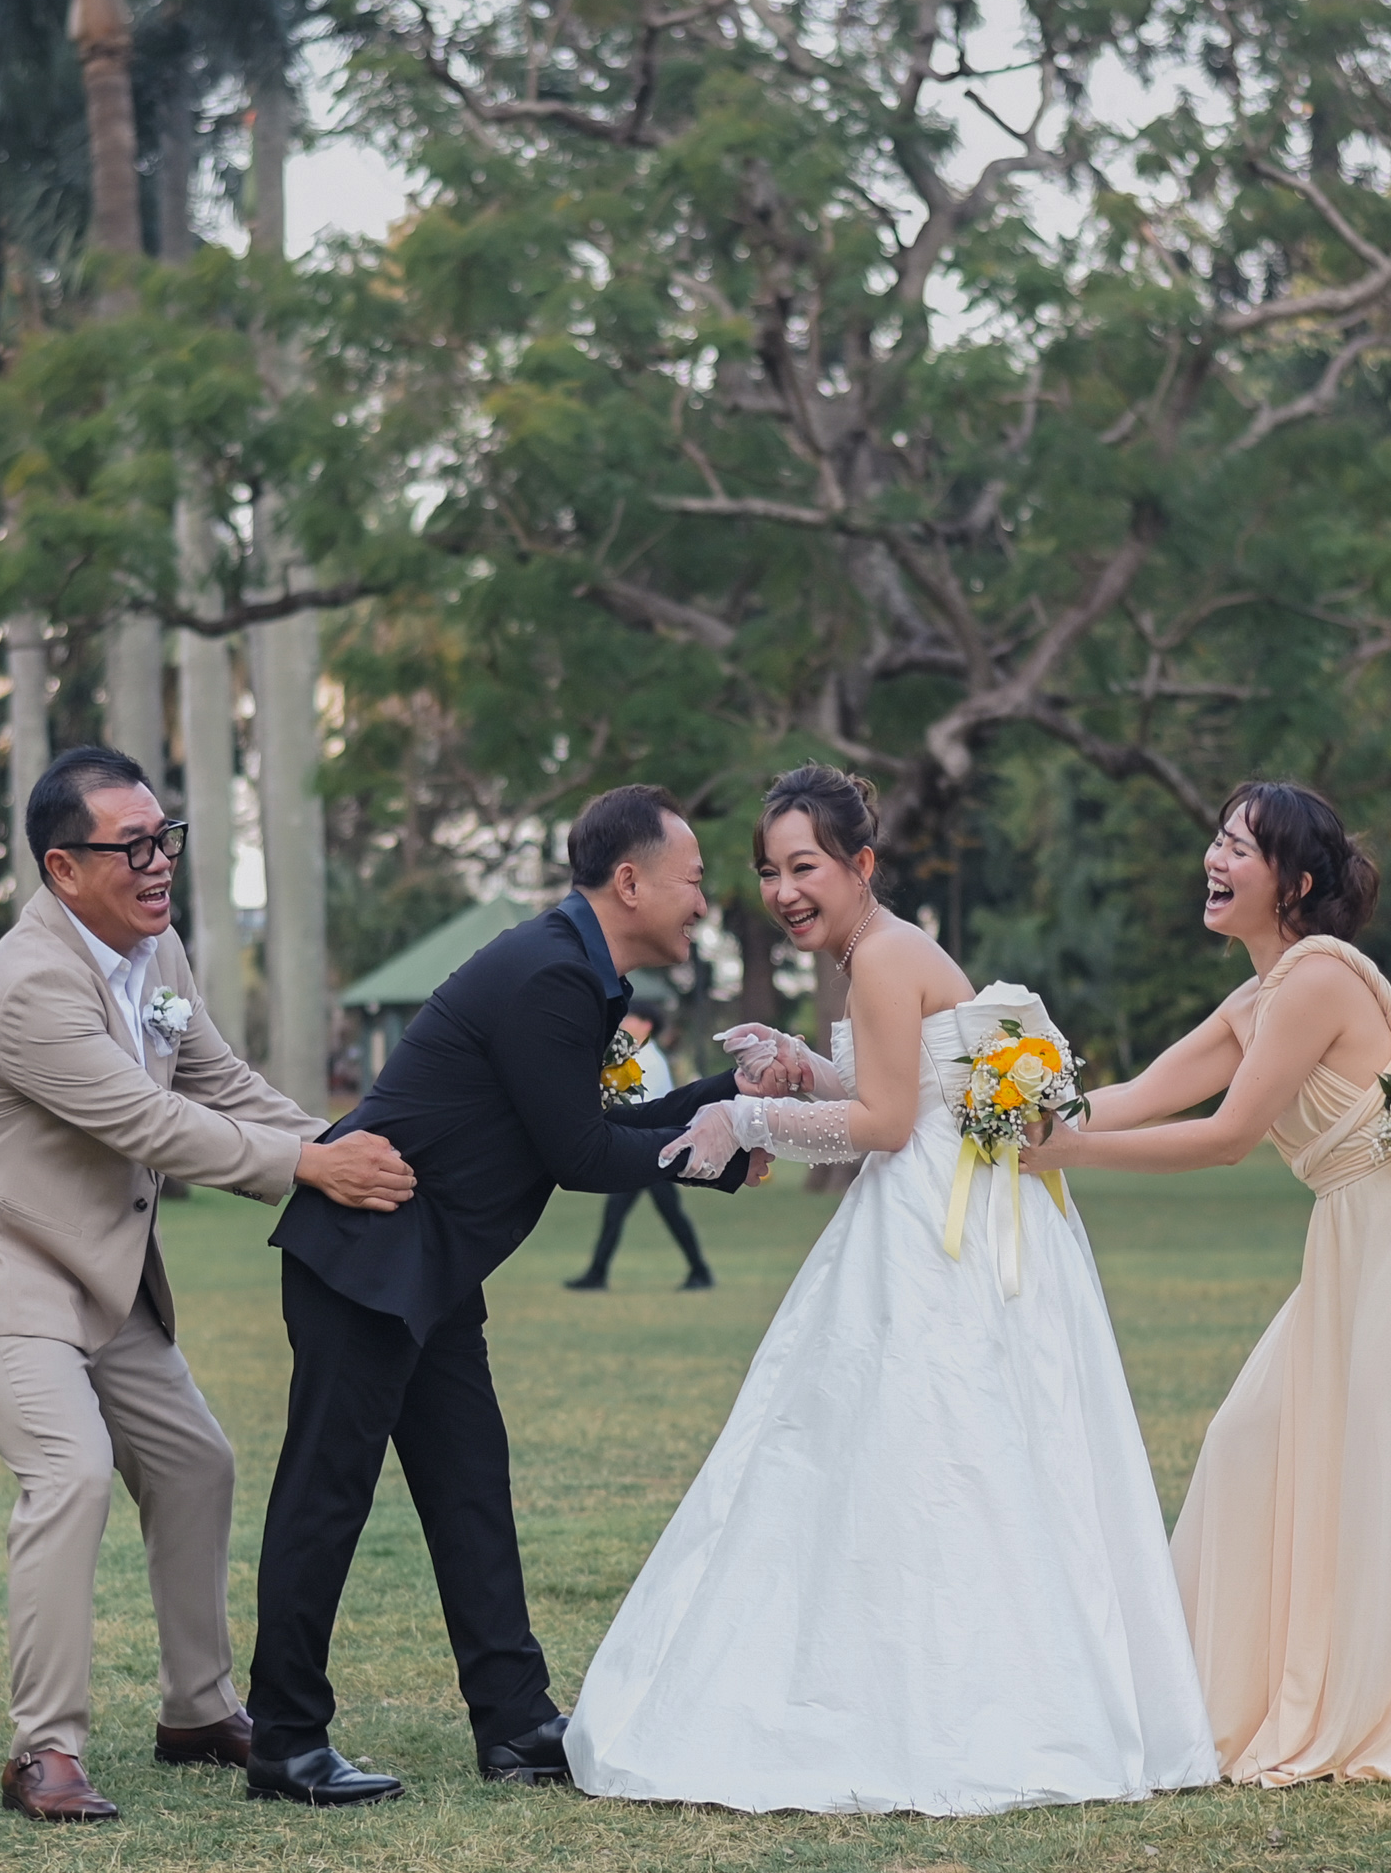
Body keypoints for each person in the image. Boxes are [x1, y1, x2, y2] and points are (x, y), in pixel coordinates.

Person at [568, 765, 1217, 1815]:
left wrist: (747, 1119)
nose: (784, 892)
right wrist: (800, 1065)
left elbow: (882, 1125)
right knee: (923, 1445)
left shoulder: (878, 956)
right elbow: (903, 1094)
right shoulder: (883, 950)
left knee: (925, 1444)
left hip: (939, 1229)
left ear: (860, 863)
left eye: (805, 867)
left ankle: (946, 1708)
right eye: (769, 872)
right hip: (958, 1209)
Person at [1033, 781, 1391, 1787]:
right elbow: (1141, 1093)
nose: (1215, 859)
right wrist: (1025, 1115)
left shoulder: (1317, 976)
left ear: (1297, 883)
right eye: (1217, 840)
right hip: (1349, 1242)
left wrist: (1068, 1157)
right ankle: (1206, 1697)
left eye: (1241, 847)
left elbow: (1229, 1136)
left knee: (1389, 1470)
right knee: (1249, 1440)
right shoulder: (1257, 996)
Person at [0, 744, 414, 1821]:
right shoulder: (29, 983)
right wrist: (311, 1168)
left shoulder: (156, 952)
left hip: (105, 1286)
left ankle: (198, 1710)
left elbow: (218, 1080)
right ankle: (43, 1751)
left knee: (196, 1463)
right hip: (3, 1279)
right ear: (62, 868)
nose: (159, 864)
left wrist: (348, 1146)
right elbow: (151, 1122)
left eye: (166, 839)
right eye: (132, 847)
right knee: (72, 1473)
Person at [248, 783, 757, 1805]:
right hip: (366, 1258)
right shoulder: (551, 974)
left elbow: (580, 1126)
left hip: (427, 1266)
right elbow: (578, 1155)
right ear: (630, 882)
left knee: (470, 1484)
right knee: (325, 1494)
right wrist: (720, 1156)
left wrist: (729, 1103)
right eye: (694, 881)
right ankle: (286, 1741)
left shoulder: (572, 967)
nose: (704, 903)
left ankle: (517, 1722)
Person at [564, 989, 714, 1291]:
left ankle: (698, 1271)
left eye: (630, 1018)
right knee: (625, 1212)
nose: (624, 1023)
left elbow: (642, 1108)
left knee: (664, 1213)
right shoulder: (636, 1057)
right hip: (644, 1147)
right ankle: (598, 1273)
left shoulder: (649, 1061)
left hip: (651, 1149)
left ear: (646, 1025)